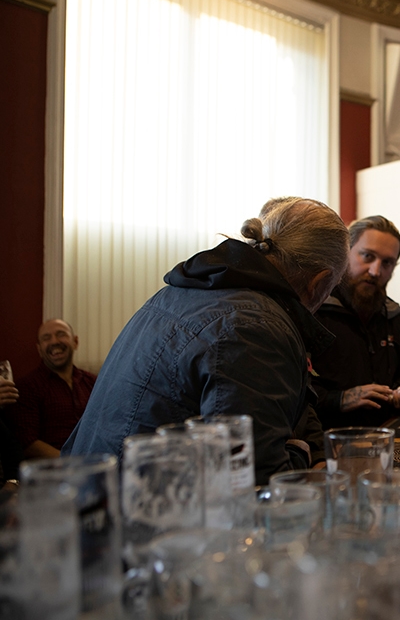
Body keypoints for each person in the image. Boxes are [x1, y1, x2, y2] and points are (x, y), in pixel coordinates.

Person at [63, 198, 349, 484]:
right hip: (138, 514)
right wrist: (301, 454)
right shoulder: (255, 327)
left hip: (87, 493)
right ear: (319, 282)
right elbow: (251, 481)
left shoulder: (184, 290)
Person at [311, 215, 400, 428]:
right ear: (345, 252)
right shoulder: (315, 311)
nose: (375, 271)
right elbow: (294, 393)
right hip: (328, 441)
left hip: (389, 437)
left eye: (387, 263)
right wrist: (340, 399)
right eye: (367, 256)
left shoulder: (393, 314)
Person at [5, 319, 97, 458]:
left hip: (97, 462)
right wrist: (72, 463)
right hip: (54, 471)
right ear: (39, 349)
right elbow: (27, 443)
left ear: (75, 342)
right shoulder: (26, 387)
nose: (54, 342)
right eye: (46, 338)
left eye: (61, 334)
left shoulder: (93, 382)